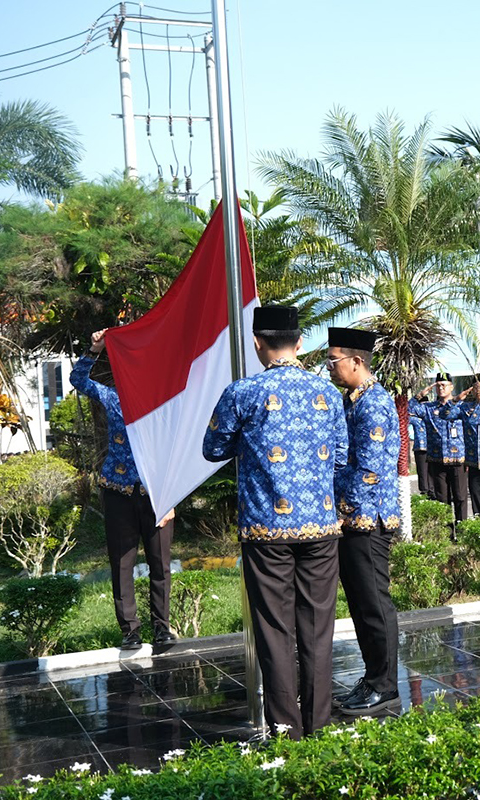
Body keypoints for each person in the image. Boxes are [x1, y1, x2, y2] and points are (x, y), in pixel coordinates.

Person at [202, 305, 347, 738]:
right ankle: (319, 724)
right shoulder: (329, 395)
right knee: (318, 628)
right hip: (321, 526)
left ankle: (286, 729)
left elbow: (212, 448)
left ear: (257, 343)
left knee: (274, 628)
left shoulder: (243, 392)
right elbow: (340, 458)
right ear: (300, 343)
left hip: (266, 528)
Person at [71, 330, 177, 650]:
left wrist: (171, 496)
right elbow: (79, 380)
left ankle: (162, 627)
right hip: (117, 490)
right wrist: (94, 348)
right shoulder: (112, 395)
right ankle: (130, 630)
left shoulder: (166, 399)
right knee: (122, 563)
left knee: (160, 563)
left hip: (157, 493)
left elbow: (177, 450)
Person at [324, 327, 401, 717]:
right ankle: (373, 677)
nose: (330, 368)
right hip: (355, 519)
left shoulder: (373, 403)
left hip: (367, 519)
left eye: (333, 360)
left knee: (374, 603)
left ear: (357, 361)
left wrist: (343, 510)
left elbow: (369, 470)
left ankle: (385, 686)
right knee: (360, 603)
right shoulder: (354, 401)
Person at [408, 373, 468, 521]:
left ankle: (461, 529)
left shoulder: (461, 406)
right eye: (438, 385)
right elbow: (407, 410)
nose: (441, 388)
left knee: (460, 497)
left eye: (444, 385)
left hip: (458, 458)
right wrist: (419, 395)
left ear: (451, 387)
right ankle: (447, 532)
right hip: (437, 458)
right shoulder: (428, 408)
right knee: (442, 499)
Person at [456, 378, 480, 518]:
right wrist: (456, 400)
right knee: (478, 503)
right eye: (476, 388)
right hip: (474, 462)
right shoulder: (465, 408)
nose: (479, 391)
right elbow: (446, 415)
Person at [408, 410, 431, 498]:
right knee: (427, 471)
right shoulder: (429, 417)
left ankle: (425, 490)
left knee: (422, 470)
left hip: (421, 447)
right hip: (428, 447)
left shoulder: (415, 419)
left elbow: (405, 412)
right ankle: (429, 490)